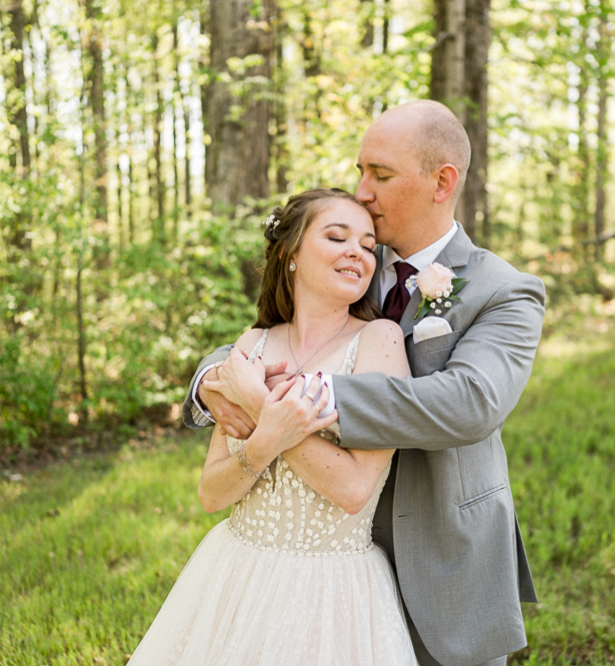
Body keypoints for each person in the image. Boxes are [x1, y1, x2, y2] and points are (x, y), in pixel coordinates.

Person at [187, 100, 545, 666]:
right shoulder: (351, 256)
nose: (362, 190)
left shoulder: (503, 290)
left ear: (441, 182)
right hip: (332, 558)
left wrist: (303, 395)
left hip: (443, 545)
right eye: (360, 171)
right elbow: (272, 331)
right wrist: (211, 375)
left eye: (379, 174)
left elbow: (471, 404)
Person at [127, 188, 420, 665]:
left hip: (333, 588)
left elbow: (353, 491)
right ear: (291, 254)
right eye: (337, 236)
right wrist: (263, 443)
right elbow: (212, 495)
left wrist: (260, 403)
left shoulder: (379, 341)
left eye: (369, 245)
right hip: (236, 572)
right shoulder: (254, 343)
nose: (358, 253)